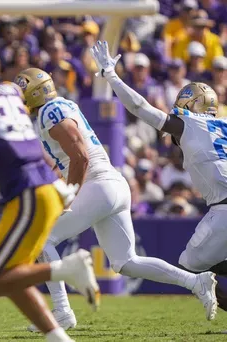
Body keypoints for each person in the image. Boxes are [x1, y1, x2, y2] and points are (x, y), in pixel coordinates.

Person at [13, 68, 219, 333]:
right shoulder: (62, 105)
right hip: (111, 183)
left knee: (43, 238)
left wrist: (68, 195)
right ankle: (196, 283)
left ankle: (62, 311)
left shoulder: (49, 111)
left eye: (22, 89)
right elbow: (68, 159)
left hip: (96, 183)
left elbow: (80, 157)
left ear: (34, 91)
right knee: (126, 262)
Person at [0, 31, 100, 342]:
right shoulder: (11, 91)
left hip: (28, 195)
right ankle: (57, 335)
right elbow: (31, 145)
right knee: (10, 274)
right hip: (43, 189)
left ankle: (67, 270)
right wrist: (58, 184)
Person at [91, 40, 225, 312]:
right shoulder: (222, 124)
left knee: (191, 267)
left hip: (223, 208)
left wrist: (112, 76)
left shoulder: (187, 123)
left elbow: (141, 108)